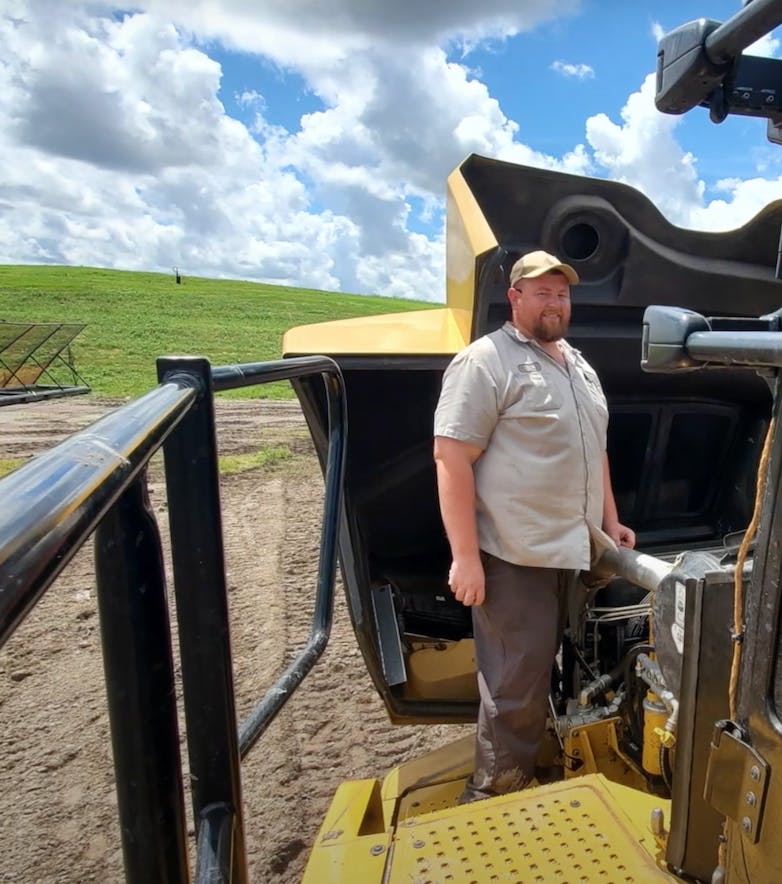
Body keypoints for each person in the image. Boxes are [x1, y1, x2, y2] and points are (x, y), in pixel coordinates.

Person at [433, 249, 635, 804]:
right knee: (514, 685)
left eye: (562, 293)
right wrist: (466, 557)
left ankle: (551, 759)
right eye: (542, 292)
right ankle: (493, 795)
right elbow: (451, 458)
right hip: (515, 554)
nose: (555, 302)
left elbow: (596, 451)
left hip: (577, 549)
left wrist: (610, 522)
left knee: (573, 663)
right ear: (514, 297)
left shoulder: (579, 365)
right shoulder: (486, 361)